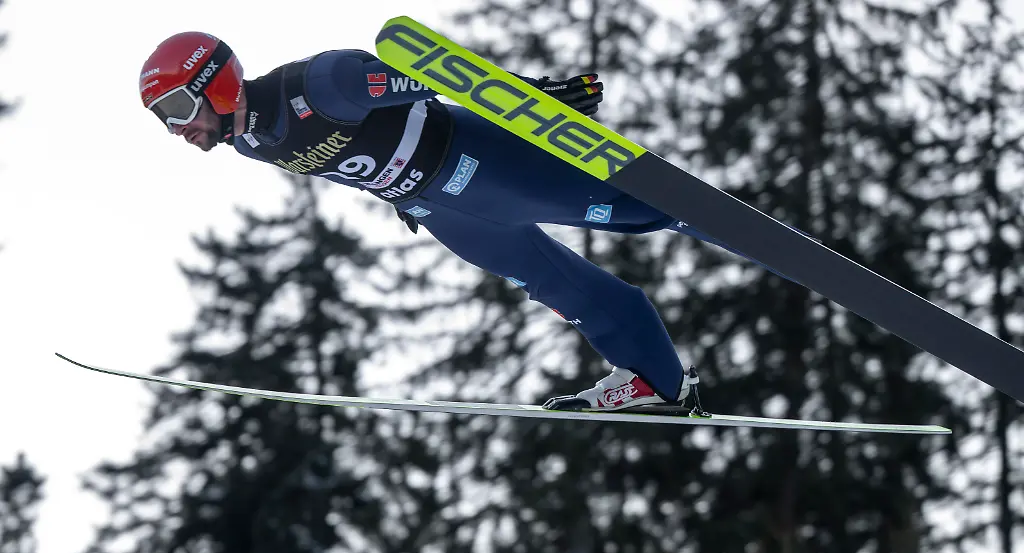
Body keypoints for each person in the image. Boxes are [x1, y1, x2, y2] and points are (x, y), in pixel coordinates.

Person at [138, 31, 762, 413]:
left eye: (177, 107)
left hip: (480, 164)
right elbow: (350, 159)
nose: (176, 128)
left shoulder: (323, 85)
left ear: (215, 82)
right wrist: (399, 198)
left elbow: (435, 79)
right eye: (163, 118)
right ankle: (658, 379)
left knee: (642, 208)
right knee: (557, 285)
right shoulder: (249, 142)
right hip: (443, 210)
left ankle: (762, 240)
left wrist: (533, 98)